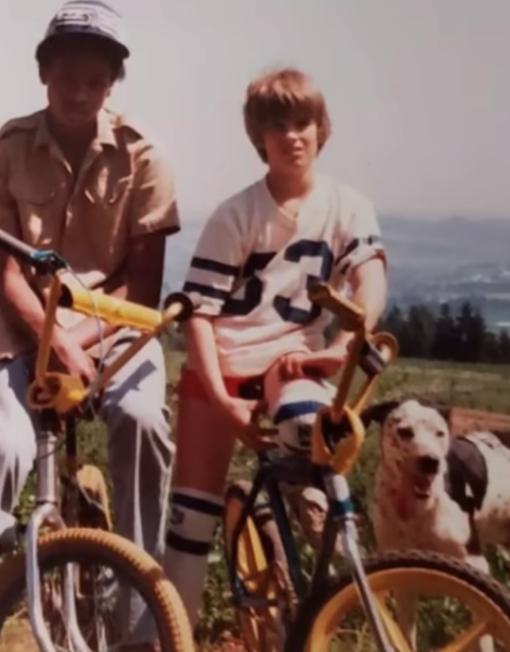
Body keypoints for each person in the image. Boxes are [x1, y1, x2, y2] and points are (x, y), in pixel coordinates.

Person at [0, 1, 181, 649]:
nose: (78, 91)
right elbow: (7, 276)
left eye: (94, 79)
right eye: (66, 75)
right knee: (3, 450)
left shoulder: (142, 158)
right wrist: (55, 337)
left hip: (119, 331)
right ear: (43, 74)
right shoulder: (6, 149)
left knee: (144, 422)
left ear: (112, 84)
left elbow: (143, 285)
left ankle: (141, 631)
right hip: (27, 330)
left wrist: (84, 339)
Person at [163, 67, 388, 626]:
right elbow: (198, 316)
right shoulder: (235, 215)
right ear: (258, 138)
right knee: (192, 521)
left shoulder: (348, 206)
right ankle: (173, 635)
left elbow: (371, 277)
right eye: (278, 125)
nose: (292, 135)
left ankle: (332, 606)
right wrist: (220, 400)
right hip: (224, 364)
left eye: (303, 122)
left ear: (322, 129)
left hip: (292, 364)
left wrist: (351, 335)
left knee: (316, 454)